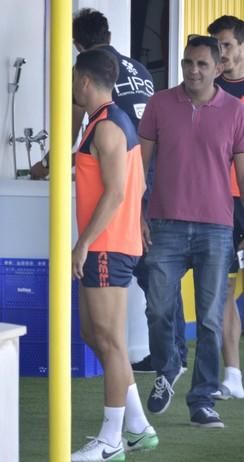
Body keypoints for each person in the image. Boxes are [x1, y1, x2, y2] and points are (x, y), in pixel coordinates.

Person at [31, 8, 189, 375]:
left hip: (126, 174)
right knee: (158, 268)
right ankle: (173, 349)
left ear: (76, 45)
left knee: (141, 279)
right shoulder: (138, 68)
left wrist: (48, 165)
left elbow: (69, 132)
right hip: (153, 167)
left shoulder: (91, 75)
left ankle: (169, 356)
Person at [139, 35, 244, 427]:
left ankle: (202, 400)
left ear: (219, 68)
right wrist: (137, 214)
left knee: (211, 319)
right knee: (158, 308)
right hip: (164, 223)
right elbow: (139, 166)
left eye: (201, 64)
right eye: (187, 63)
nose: (193, 71)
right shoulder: (159, 104)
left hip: (217, 228)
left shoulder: (235, 111)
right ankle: (168, 369)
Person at [69, 48, 156, 462]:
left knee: (110, 340)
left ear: (84, 81)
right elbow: (132, 189)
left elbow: (119, 192)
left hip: (107, 246)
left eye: (72, 78)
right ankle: (137, 425)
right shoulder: (103, 122)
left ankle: (111, 440)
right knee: (94, 335)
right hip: (109, 243)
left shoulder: (107, 126)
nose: (71, 85)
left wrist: (83, 242)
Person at [208, 15, 244, 400]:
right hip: (222, 204)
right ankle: (232, 373)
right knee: (224, 290)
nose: (222, 54)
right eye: (217, 46)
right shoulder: (208, 93)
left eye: (228, 45)